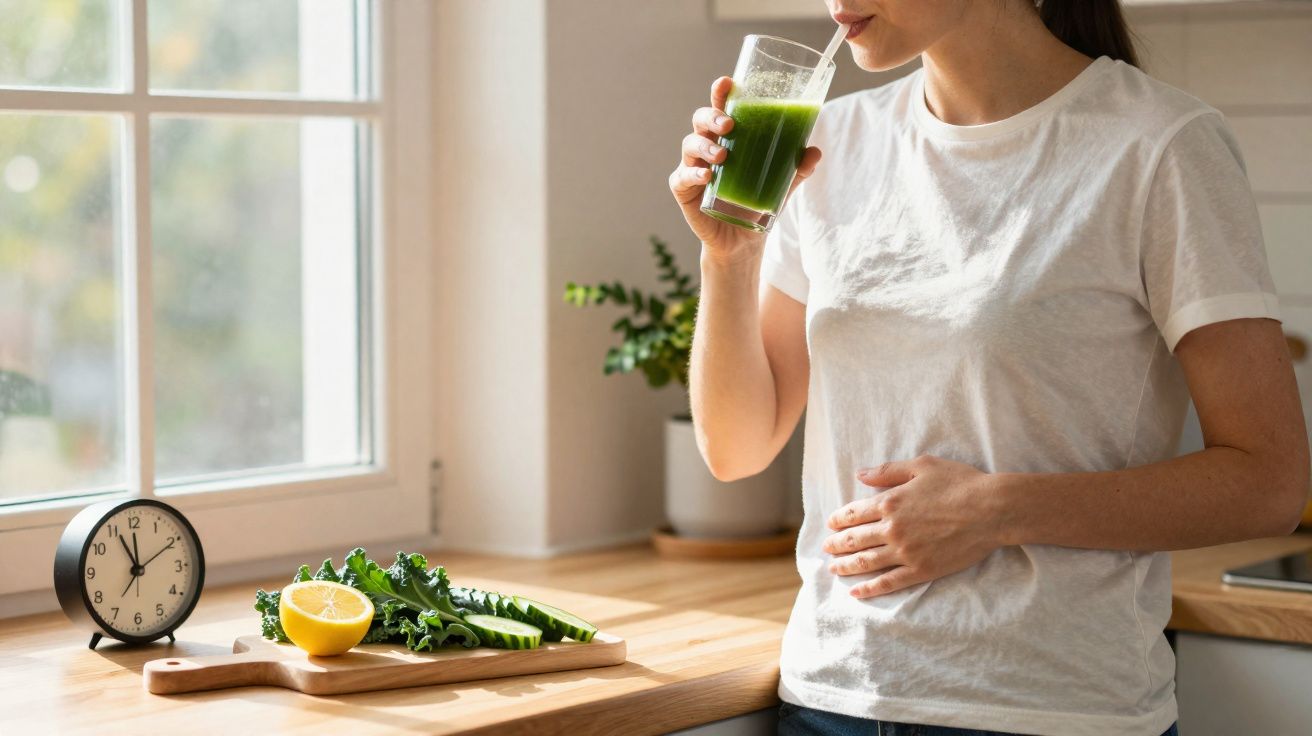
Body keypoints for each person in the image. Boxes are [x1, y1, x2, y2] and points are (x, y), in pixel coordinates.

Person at [668, 1, 1310, 734]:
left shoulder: (1159, 144)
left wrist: (997, 511)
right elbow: (735, 447)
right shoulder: (830, 141)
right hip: (833, 698)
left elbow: (1268, 482)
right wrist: (729, 256)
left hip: (1055, 711)